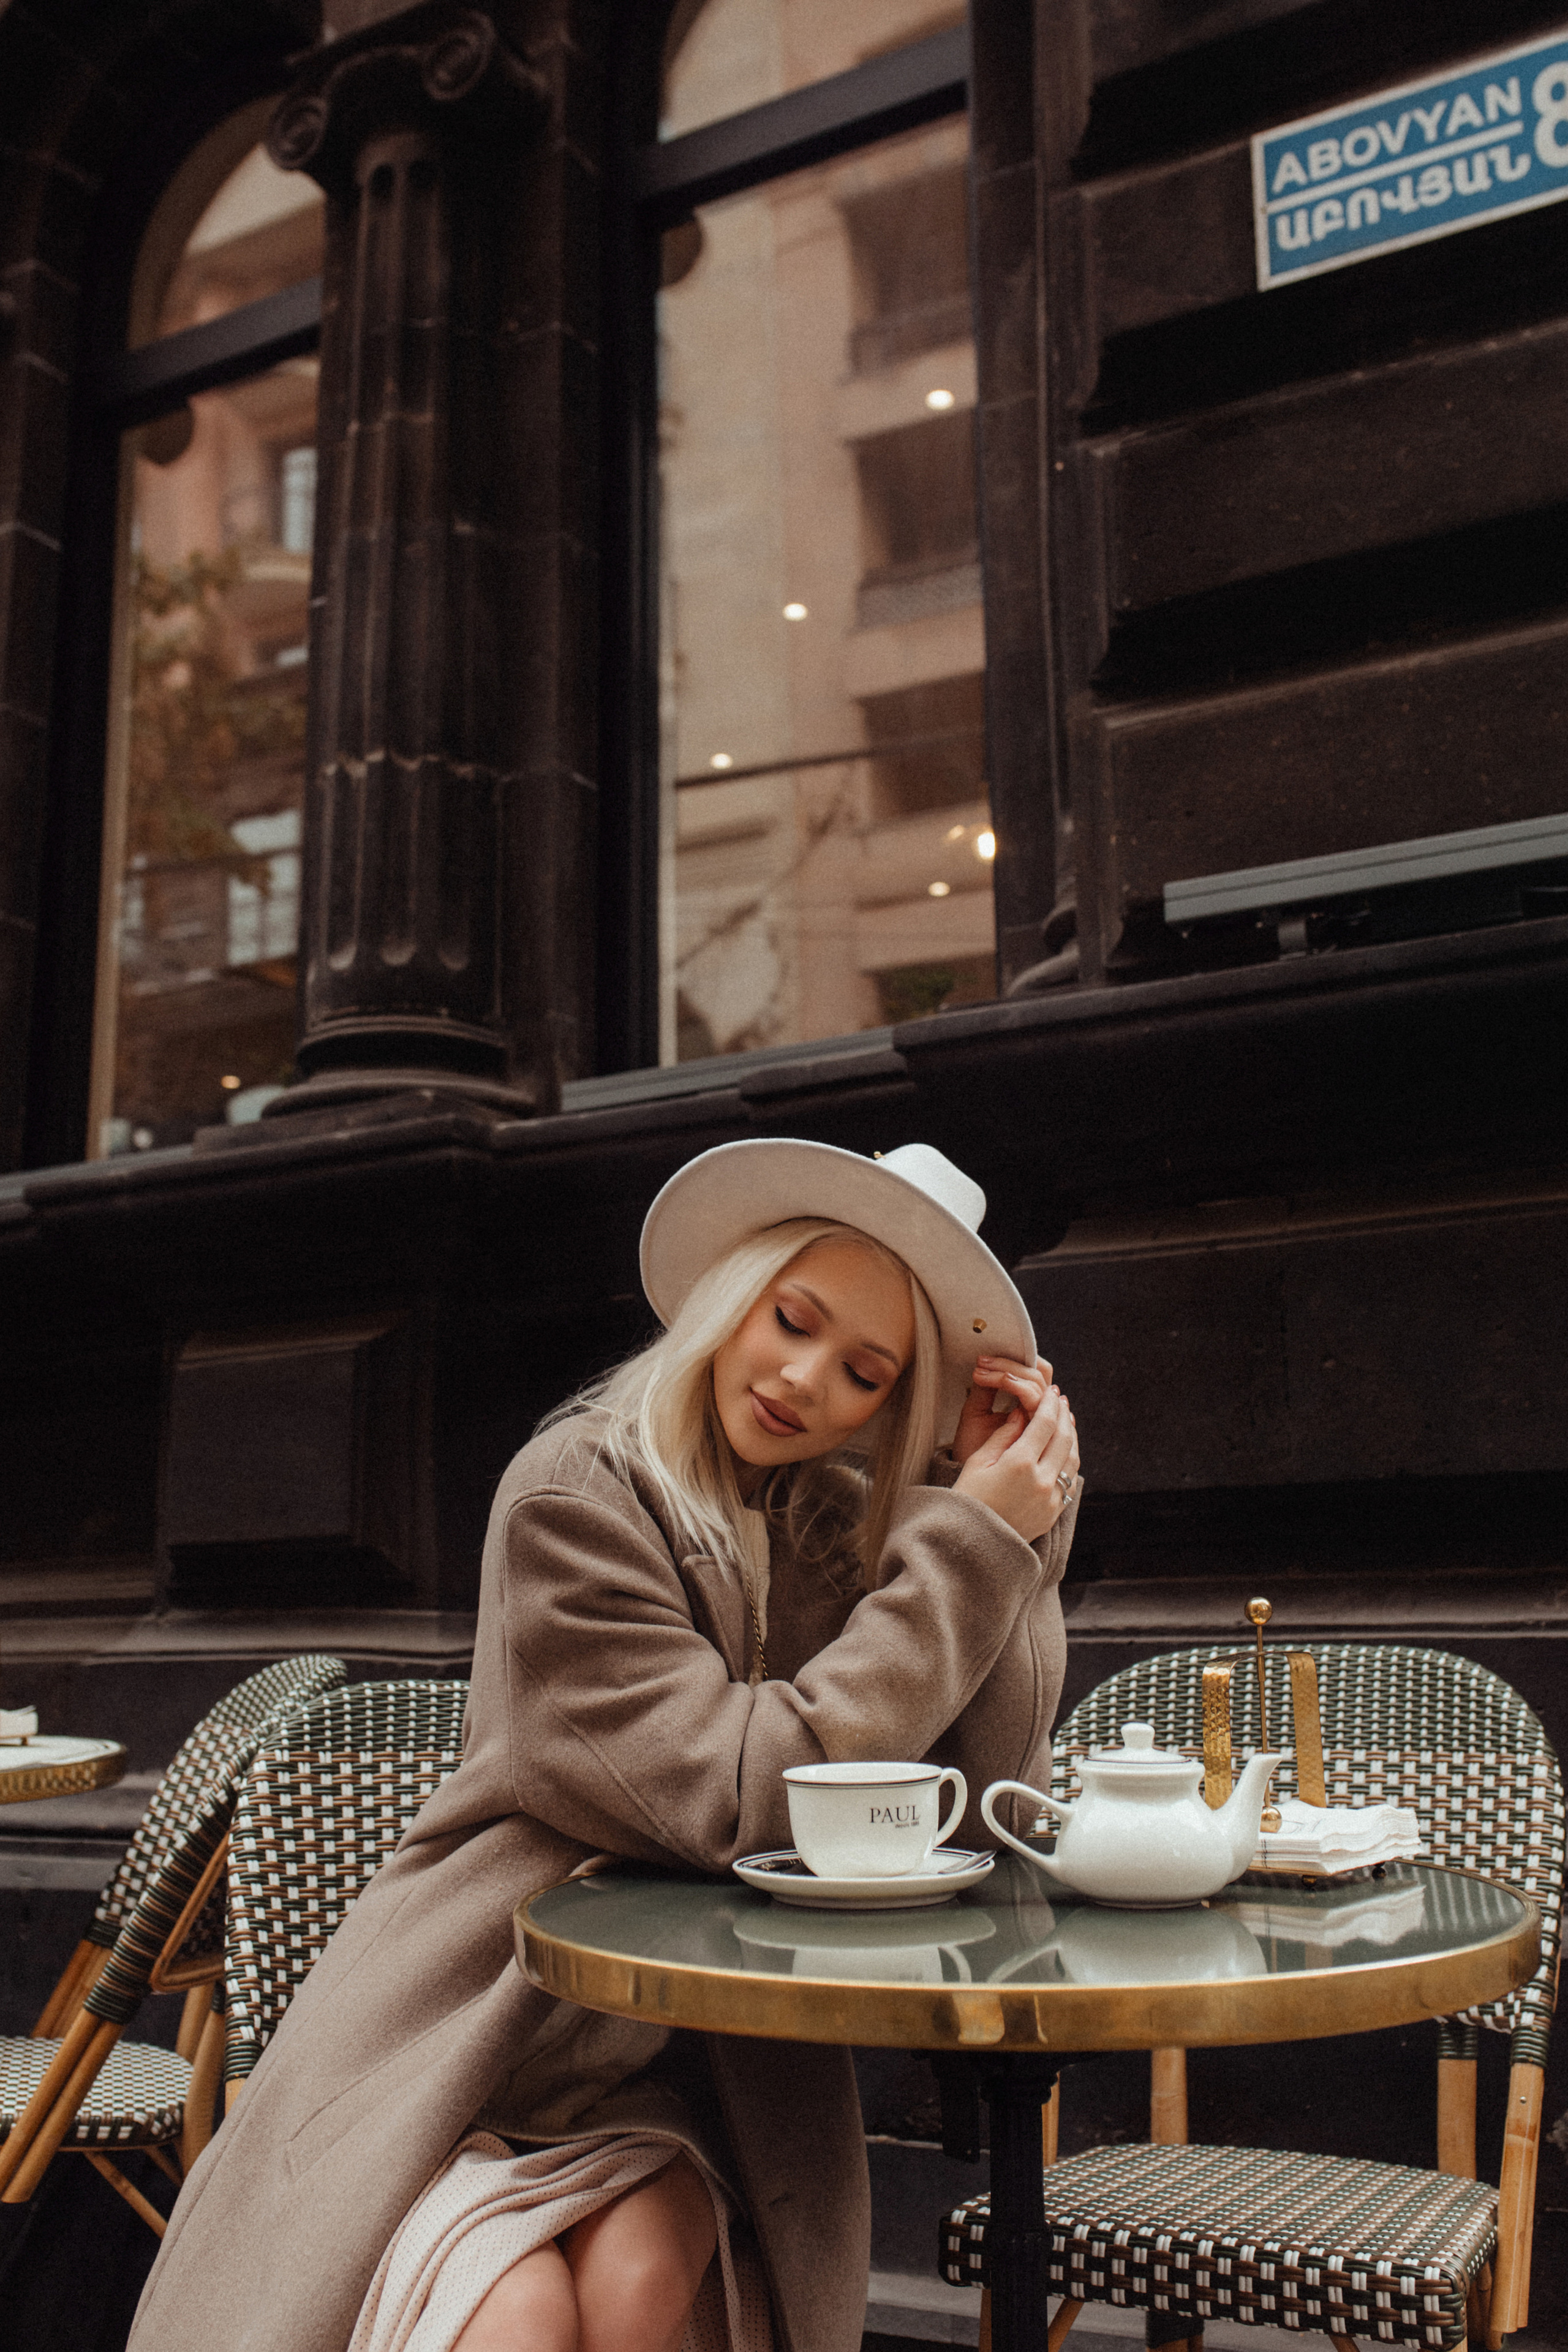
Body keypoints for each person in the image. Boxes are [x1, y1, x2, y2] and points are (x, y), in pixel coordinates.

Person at [129, 1139, 1080, 2352]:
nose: (802, 1379)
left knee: (637, 2285)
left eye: (862, 1373)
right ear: (735, 1294)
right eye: (790, 1318)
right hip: (472, 2055)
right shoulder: (575, 1494)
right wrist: (966, 1556)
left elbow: (991, 1786)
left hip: (687, 2083)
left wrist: (1000, 1521)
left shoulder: (833, 1529)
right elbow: (735, 1795)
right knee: (514, 2312)